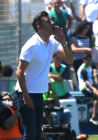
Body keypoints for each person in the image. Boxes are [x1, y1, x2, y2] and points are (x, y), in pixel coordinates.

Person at [14, 11, 73, 140]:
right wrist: (25, 96)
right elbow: (19, 72)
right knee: (30, 135)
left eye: (51, 20)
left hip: (39, 93)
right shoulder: (31, 45)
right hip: (25, 93)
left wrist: (63, 42)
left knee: (37, 135)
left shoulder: (53, 40)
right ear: (39, 28)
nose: (52, 22)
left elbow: (70, 60)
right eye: (48, 21)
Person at [77, 52, 98, 125]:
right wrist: (93, 89)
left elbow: (91, 79)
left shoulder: (90, 67)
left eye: (90, 60)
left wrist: (97, 87)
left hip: (90, 86)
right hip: (84, 87)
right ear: (84, 60)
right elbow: (86, 81)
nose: (89, 61)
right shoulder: (83, 68)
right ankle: (93, 117)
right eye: (87, 60)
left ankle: (94, 116)